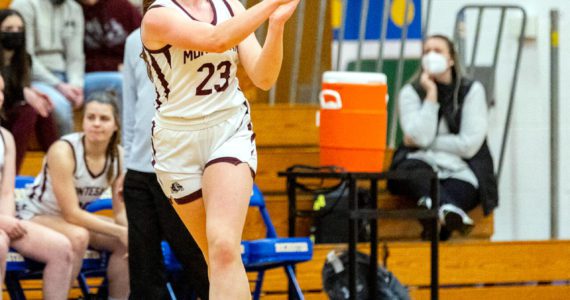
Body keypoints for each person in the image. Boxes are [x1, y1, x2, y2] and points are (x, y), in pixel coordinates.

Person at [141, 0, 300, 298]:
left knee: (225, 247)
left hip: (228, 131)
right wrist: (271, 3)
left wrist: (276, 26)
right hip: (176, 144)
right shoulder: (158, 16)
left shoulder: (231, 7)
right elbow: (217, 40)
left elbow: (264, 78)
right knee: (216, 257)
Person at [122, 27, 209, 299]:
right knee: (143, 268)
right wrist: (126, 160)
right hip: (139, 170)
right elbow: (130, 104)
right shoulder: (134, 40)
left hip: (182, 168)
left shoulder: (199, 32)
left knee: (196, 257)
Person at [16, 91, 129, 299]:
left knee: (127, 241)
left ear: (116, 125)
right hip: (34, 216)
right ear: (82, 122)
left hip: (74, 220)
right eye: (90, 117)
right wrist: (118, 230)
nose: (96, 124)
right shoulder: (63, 150)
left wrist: (128, 232)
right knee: (78, 236)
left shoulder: (119, 156)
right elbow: (71, 214)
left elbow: (119, 211)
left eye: (104, 119)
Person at [387, 34, 498, 241]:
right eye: (426, 51)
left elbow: (468, 145)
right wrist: (431, 95)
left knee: (446, 195)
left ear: (451, 60)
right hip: (419, 163)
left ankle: (435, 218)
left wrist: (429, 143)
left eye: (437, 51)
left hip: (462, 168)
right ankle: (446, 212)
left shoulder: (471, 91)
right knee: (414, 173)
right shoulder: (410, 92)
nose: (431, 56)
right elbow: (420, 136)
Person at [0, 73, 75, 300]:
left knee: (62, 248)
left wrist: (7, 220)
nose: (0, 97)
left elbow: (6, 191)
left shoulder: (5, 138)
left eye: (2, 91)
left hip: (4, 219)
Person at [10, 0, 85, 135]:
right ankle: (67, 153)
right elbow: (26, 57)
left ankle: (127, 151)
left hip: (67, 77)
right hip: (36, 78)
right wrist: (58, 85)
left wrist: (76, 85)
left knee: (117, 82)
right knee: (61, 107)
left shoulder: (74, 8)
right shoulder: (24, 5)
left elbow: (76, 56)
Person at [0, 9, 59, 172]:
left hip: (10, 112)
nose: (15, 33)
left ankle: (58, 163)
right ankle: (12, 172)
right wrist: (23, 92)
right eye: (9, 29)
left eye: (19, 29)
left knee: (41, 109)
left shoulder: (25, 59)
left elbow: (18, 87)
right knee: (29, 111)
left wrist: (32, 92)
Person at [78, 0, 142, 112]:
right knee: (124, 83)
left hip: (129, 68)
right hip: (88, 74)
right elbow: (76, 60)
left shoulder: (121, 6)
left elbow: (144, 40)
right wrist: (116, 66)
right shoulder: (74, 10)